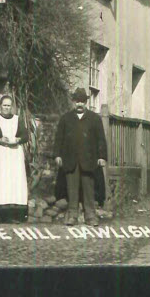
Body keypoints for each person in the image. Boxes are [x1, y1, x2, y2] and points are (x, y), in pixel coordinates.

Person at [54, 87, 108, 226]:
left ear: (86, 102)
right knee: (72, 188)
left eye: (82, 101)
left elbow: (101, 139)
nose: (80, 104)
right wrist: (57, 155)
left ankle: (90, 216)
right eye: (77, 101)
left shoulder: (94, 119)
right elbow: (59, 138)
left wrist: (102, 156)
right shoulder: (66, 118)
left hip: (89, 160)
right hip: (70, 159)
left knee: (88, 188)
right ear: (73, 102)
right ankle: (72, 215)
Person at [0, 94, 29, 223]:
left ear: (12, 107)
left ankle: (10, 216)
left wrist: (18, 139)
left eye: (9, 105)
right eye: (4, 105)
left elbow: (25, 135)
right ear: (0, 106)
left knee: (11, 184)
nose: (6, 108)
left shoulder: (17, 119)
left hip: (13, 157)